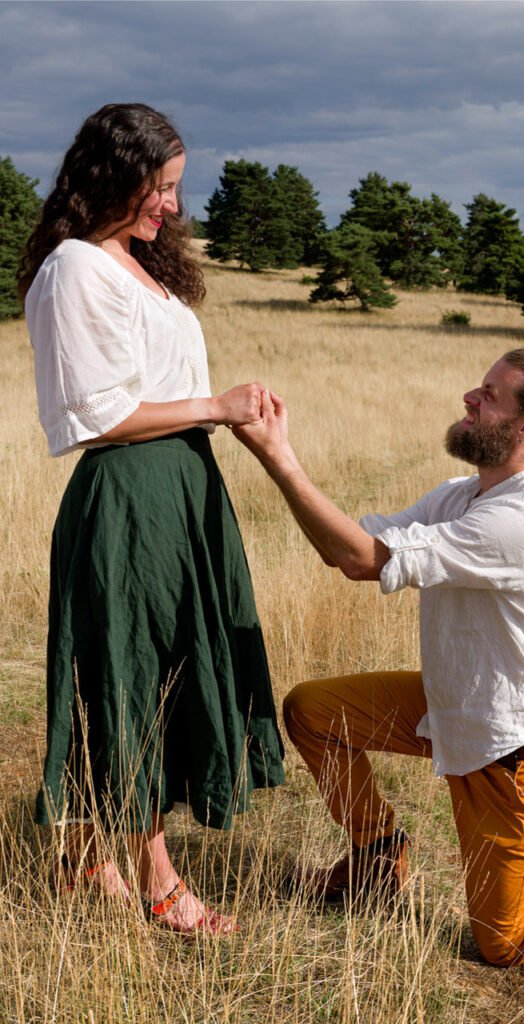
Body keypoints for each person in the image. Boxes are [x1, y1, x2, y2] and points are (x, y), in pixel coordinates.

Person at [233, 348, 524, 965]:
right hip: (451, 707)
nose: (471, 398)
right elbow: (351, 549)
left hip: (514, 753)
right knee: (313, 712)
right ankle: (377, 858)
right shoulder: (460, 495)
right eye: (479, 387)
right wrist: (285, 473)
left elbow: (364, 560)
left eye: (490, 395)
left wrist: (277, 457)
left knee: (504, 942)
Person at [19, 103, 284, 935]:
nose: (171, 205)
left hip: (182, 489)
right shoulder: (75, 268)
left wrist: (219, 418)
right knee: (135, 674)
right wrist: (216, 404)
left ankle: (85, 855)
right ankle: (159, 879)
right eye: (158, 187)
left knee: (164, 667)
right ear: (112, 175)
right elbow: (96, 416)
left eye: (175, 188)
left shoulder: (141, 267)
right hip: (130, 498)